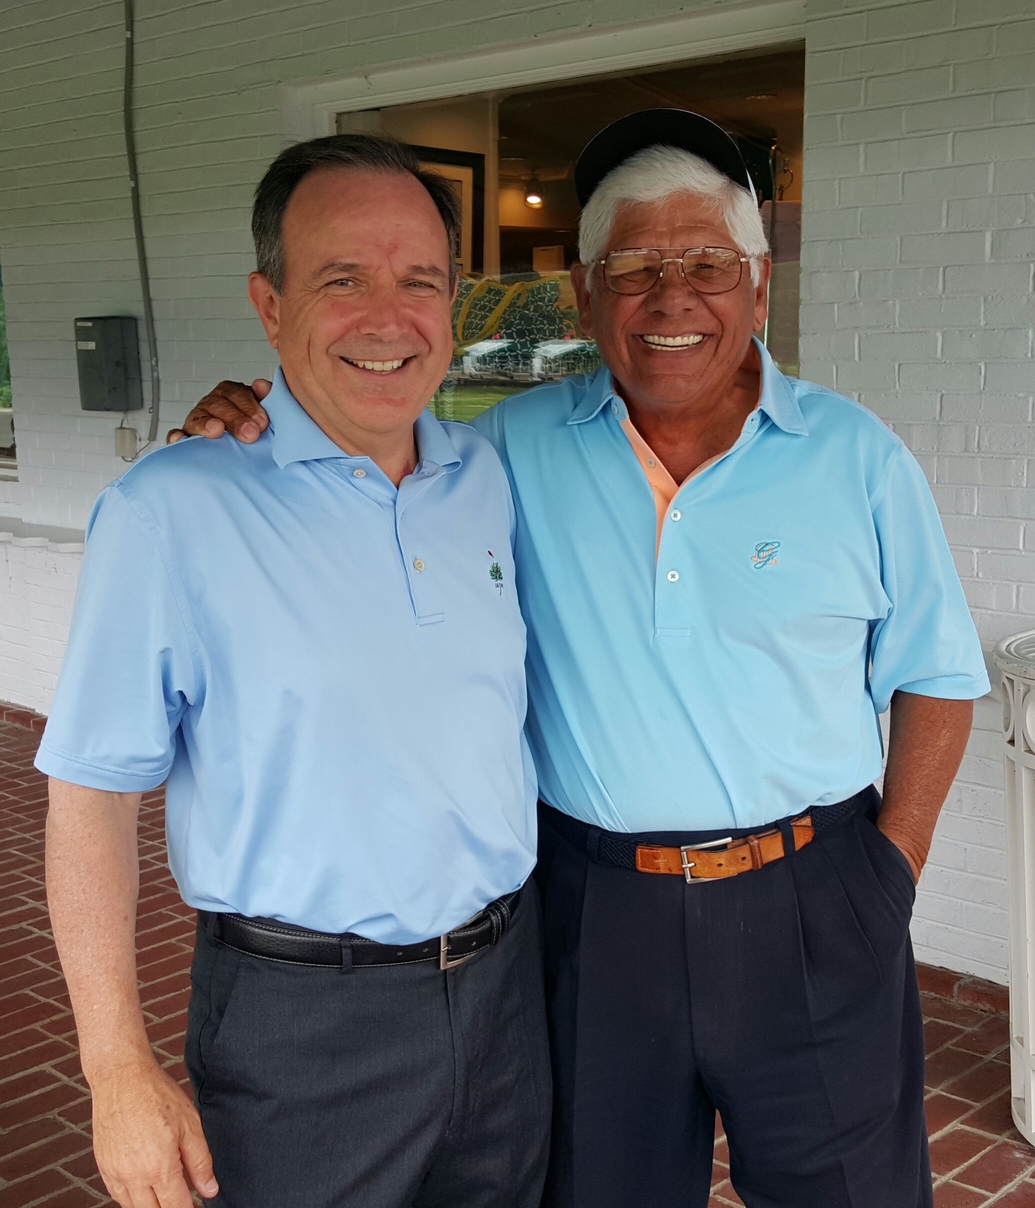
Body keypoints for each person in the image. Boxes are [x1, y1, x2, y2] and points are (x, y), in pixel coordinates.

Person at [177, 111, 989, 1208]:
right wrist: (257, 414)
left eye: (705, 263)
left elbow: (935, 672)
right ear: (585, 294)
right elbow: (366, 445)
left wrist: (886, 875)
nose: (672, 299)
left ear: (757, 283)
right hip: (595, 913)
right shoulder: (500, 453)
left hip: (813, 898)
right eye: (636, 268)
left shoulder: (858, 457)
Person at [40, 134, 551, 1208]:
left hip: (506, 991)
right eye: (342, 279)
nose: (387, 315)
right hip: (302, 1026)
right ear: (270, 307)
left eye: (419, 280)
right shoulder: (172, 507)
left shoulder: (485, 480)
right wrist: (115, 1069)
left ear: (454, 303)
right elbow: (88, 796)